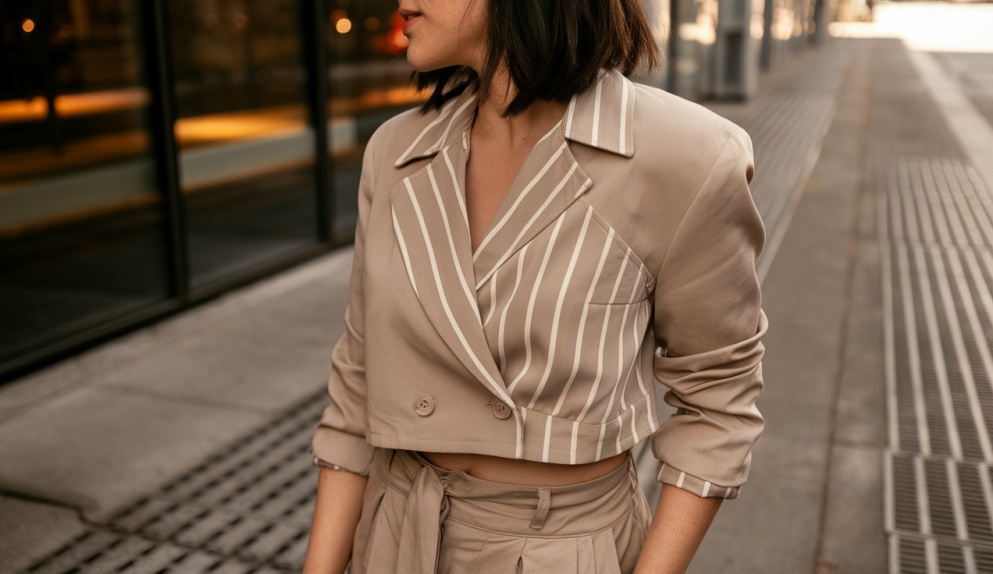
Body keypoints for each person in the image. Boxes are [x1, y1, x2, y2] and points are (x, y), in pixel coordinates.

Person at [302, 0, 767, 572]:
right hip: (396, 533)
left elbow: (718, 403)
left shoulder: (687, 155)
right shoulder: (396, 151)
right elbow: (357, 384)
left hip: (563, 550)